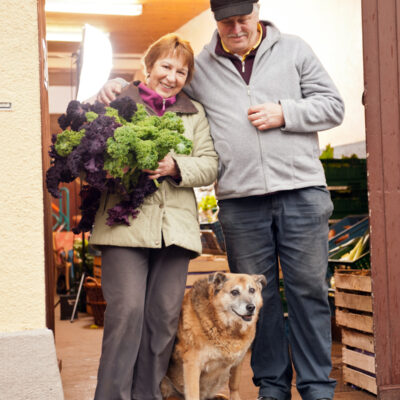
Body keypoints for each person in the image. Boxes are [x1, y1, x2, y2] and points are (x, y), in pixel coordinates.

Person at [97, 1, 345, 399]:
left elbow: (334, 106)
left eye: (242, 19)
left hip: (301, 193)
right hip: (241, 201)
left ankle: (316, 387)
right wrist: (113, 84)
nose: (235, 29)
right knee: (249, 301)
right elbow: (159, 88)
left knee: (308, 292)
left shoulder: (295, 49)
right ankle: (272, 386)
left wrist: (286, 112)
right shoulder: (202, 67)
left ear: (257, 11)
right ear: (216, 21)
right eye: (225, 22)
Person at [89, 33, 218, 400]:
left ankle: (147, 395)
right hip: (124, 227)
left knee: (162, 319)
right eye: (165, 66)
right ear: (149, 66)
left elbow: (210, 164)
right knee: (126, 313)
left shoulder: (195, 113)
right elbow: (88, 149)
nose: (172, 77)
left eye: (182, 71)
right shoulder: (116, 101)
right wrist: (115, 167)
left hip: (174, 231)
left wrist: (176, 165)